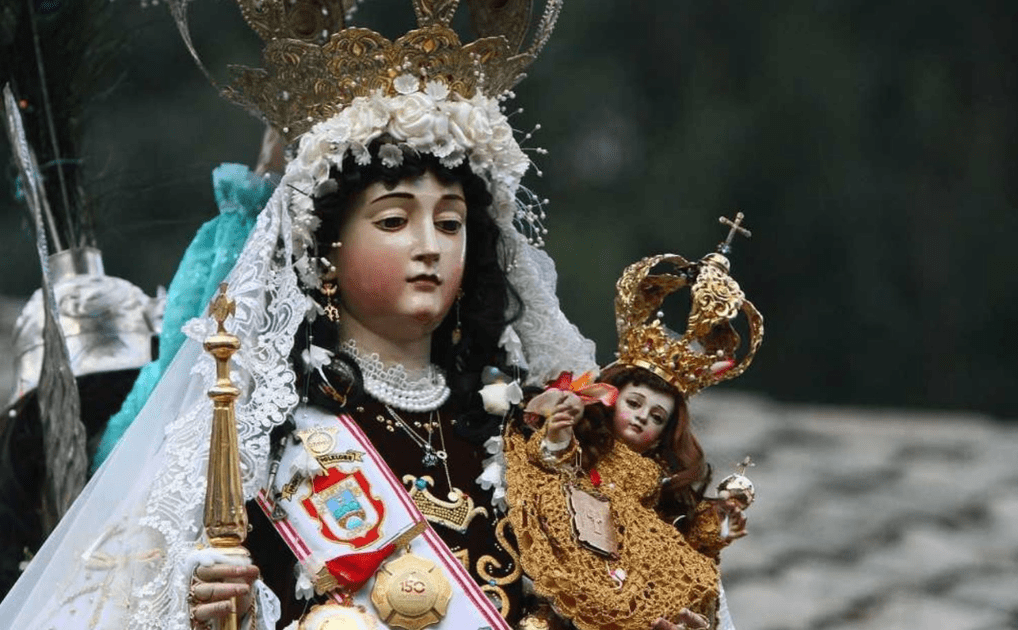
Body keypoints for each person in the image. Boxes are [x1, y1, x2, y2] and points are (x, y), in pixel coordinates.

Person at [0, 1, 600, 628]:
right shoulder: (258, 439)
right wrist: (213, 608)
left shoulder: (531, 428)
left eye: (450, 223)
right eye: (394, 220)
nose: (431, 246)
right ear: (326, 254)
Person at [506, 246, 764, 630]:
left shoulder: (657, 478)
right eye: (635, 403)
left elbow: (695, 537)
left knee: (694, 582)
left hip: (631, 559)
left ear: (664, 434)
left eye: (656, 416)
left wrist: (722, 522)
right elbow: (553, 465)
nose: (643, 417)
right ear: (610, 400)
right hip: (574, 534)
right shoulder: (592, 445)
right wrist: (559, 434)